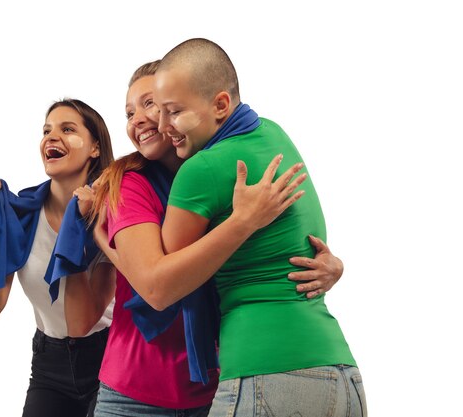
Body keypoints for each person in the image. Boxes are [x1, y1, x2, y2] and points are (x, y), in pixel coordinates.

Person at [82, 61, 346, 417]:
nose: (142, 120)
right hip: (137, 391)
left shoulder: (215, 168)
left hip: (214, 385)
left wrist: (332, 265)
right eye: (129, 112)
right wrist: (104, 242)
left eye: (152, 104)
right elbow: (155, 285)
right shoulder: (131, 184)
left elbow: (274, 248)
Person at [151, 38, 366, 417]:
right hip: (341, 374)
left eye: (174, 111)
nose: (162, 124)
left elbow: (164, 282)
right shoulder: (272, 132)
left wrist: (106, 237)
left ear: (220, 105)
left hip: (266, 374)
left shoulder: (201, 170)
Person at [0, 99, 116, 417]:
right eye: (47, 130)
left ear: (95, 148)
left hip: (110, 358)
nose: (51, 137)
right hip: (50, 362)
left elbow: (80, 324)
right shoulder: (23, 216)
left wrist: (78, 222)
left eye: (67, 129)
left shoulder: (110, 214)